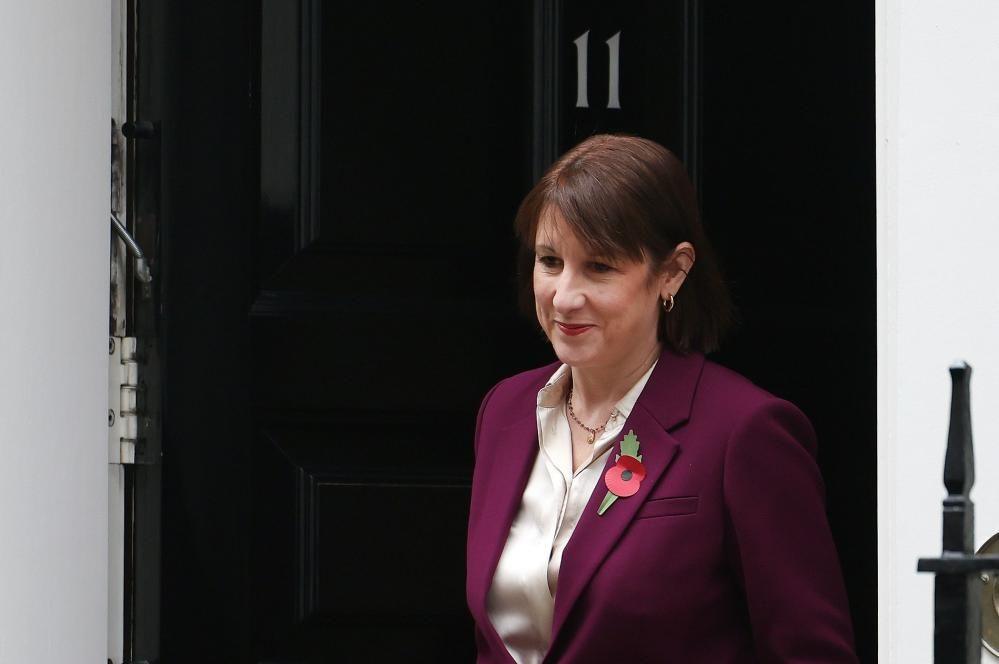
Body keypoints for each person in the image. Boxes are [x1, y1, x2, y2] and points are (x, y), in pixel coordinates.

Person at [465, 134, 857, 663]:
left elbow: (810, 653)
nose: (564, 295)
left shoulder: (745, 432)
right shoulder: (505, 412)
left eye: (600, 267)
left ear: (672, 271)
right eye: (550, 261)